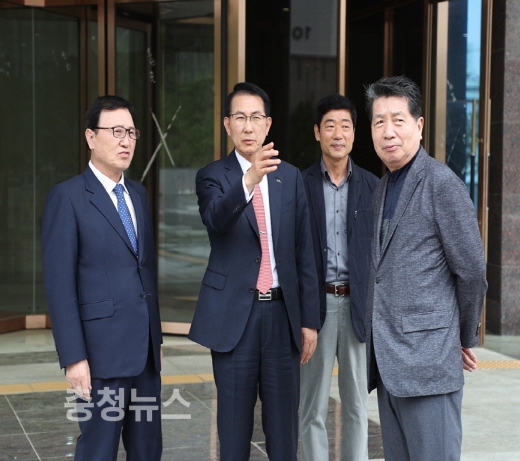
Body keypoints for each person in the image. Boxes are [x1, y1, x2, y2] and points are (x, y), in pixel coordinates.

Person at [188, 82, 320, 460]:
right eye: (240, 118)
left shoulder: (289, 177)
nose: (248, 126)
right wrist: (248, 181)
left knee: (284, 431)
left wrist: (309, 321)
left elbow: (305, 252)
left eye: (256, 117)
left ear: (268, 124)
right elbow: (216, 220)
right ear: (227, 124)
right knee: (233, 431)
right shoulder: (212, 175)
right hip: (234, 319)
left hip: (281, 316)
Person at [363, 75, 487, 461]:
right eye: (379, 121)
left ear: (418, 125)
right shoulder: (383, 187)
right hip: (390, 367)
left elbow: (472, 271)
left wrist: (461, 337)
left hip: (429, 366)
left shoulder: (441, 184)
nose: (388, 131)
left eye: (398, 120)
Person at [41, 95, 163, 461]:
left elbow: (145, 273)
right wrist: (73, 358)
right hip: (100, 357)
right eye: (116, 131)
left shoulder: (138, 195)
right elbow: (60, 287)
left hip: (144, 356)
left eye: (131, 132)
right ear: (91, 137)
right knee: (99, 450)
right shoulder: (68, 197)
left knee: (148, 449)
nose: (126, 141)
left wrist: (155, 339)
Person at [299, 94, 378, 461]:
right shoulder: (300, 185)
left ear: (354, 134)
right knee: (311, 405)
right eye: (329, 126)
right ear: (317, 132)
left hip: (357, 306)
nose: (337, 133)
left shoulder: (372, 186)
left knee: (356, 404)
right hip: (317, 307)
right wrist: (305, 318)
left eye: (345, 126)